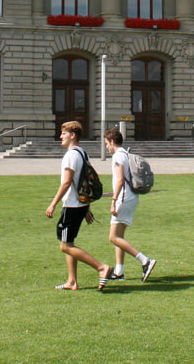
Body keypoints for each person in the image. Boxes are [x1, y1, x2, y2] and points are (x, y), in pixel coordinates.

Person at [45, 121, 113, 291]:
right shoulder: (82, 153)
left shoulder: (71, 155)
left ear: (72, 135)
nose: (61, 136)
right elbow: (84, 181)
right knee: (70, 242)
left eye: (64, 133)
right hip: (80, 205)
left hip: (72, 206)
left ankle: (101, 267)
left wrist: (53, 204)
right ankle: (72, 281)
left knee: (65, 245)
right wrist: (87, 207)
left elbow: (67, 182)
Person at [104, 128, 157, 283]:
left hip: (123, 198)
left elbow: (120, 180)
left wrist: (113, 200)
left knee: (113, 237)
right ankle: (119, 271)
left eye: (107, 144)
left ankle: (145, 261)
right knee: (119, 236)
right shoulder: (126, 154)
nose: (106, 147)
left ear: (113, 142)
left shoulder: (118, 157)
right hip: (131, 197)